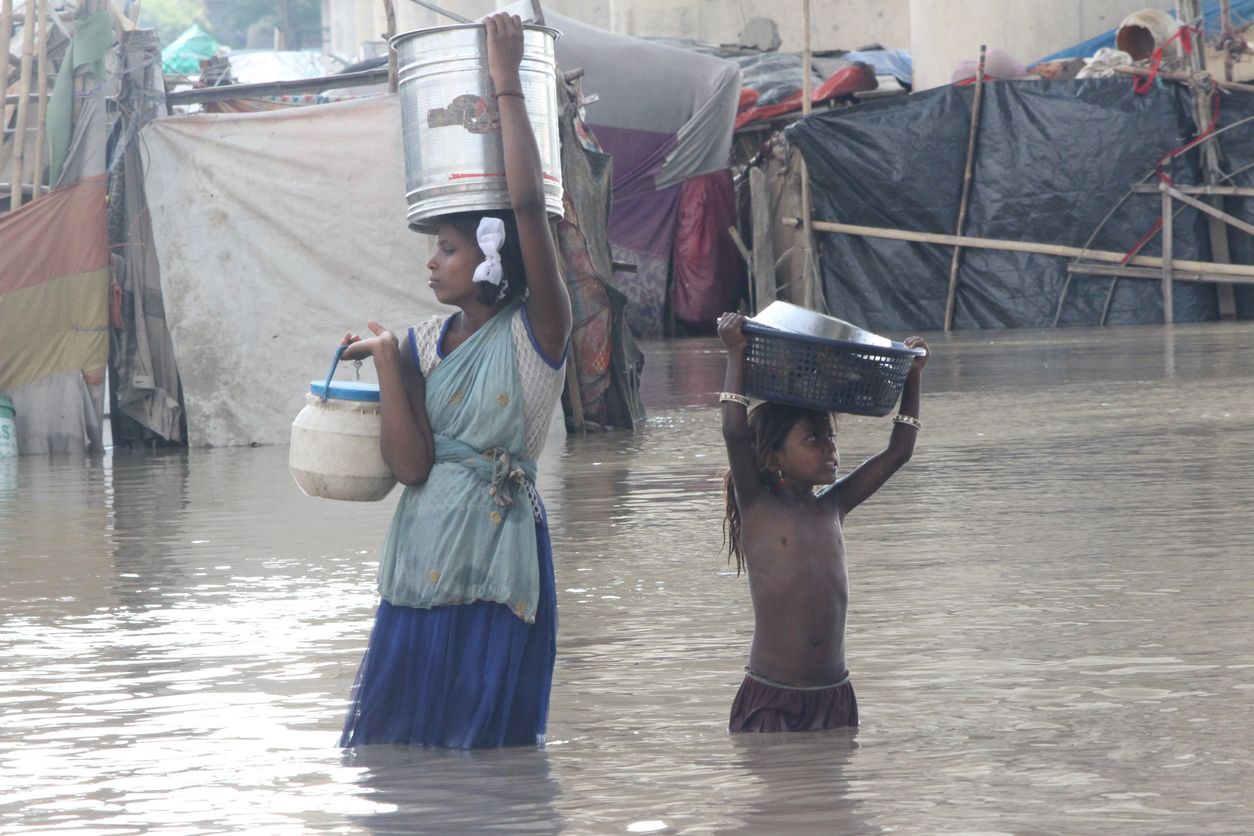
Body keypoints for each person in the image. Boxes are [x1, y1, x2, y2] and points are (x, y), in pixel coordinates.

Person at [336, 12, 571, 748]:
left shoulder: (541, 329)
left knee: (485, 747)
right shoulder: (424, 344)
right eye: (433, 248)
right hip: (422, 554)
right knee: (406, 750)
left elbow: (530, 205)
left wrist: (506, 86)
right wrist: (383, 360)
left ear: (493, 255)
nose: (431, 262)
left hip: (499, 552)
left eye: (447, 248)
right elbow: (410, 467)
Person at [715, 312, 929, 733]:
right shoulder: (758, 505)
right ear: (774, 456)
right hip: (772, 697)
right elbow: (734, 433)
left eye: (829, 436)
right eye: (813, 439)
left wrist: (913, 378)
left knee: (830, 798)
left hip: (834, 696)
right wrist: (736, 353)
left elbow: (899, 451)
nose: (830, 448)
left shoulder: (833, 506)